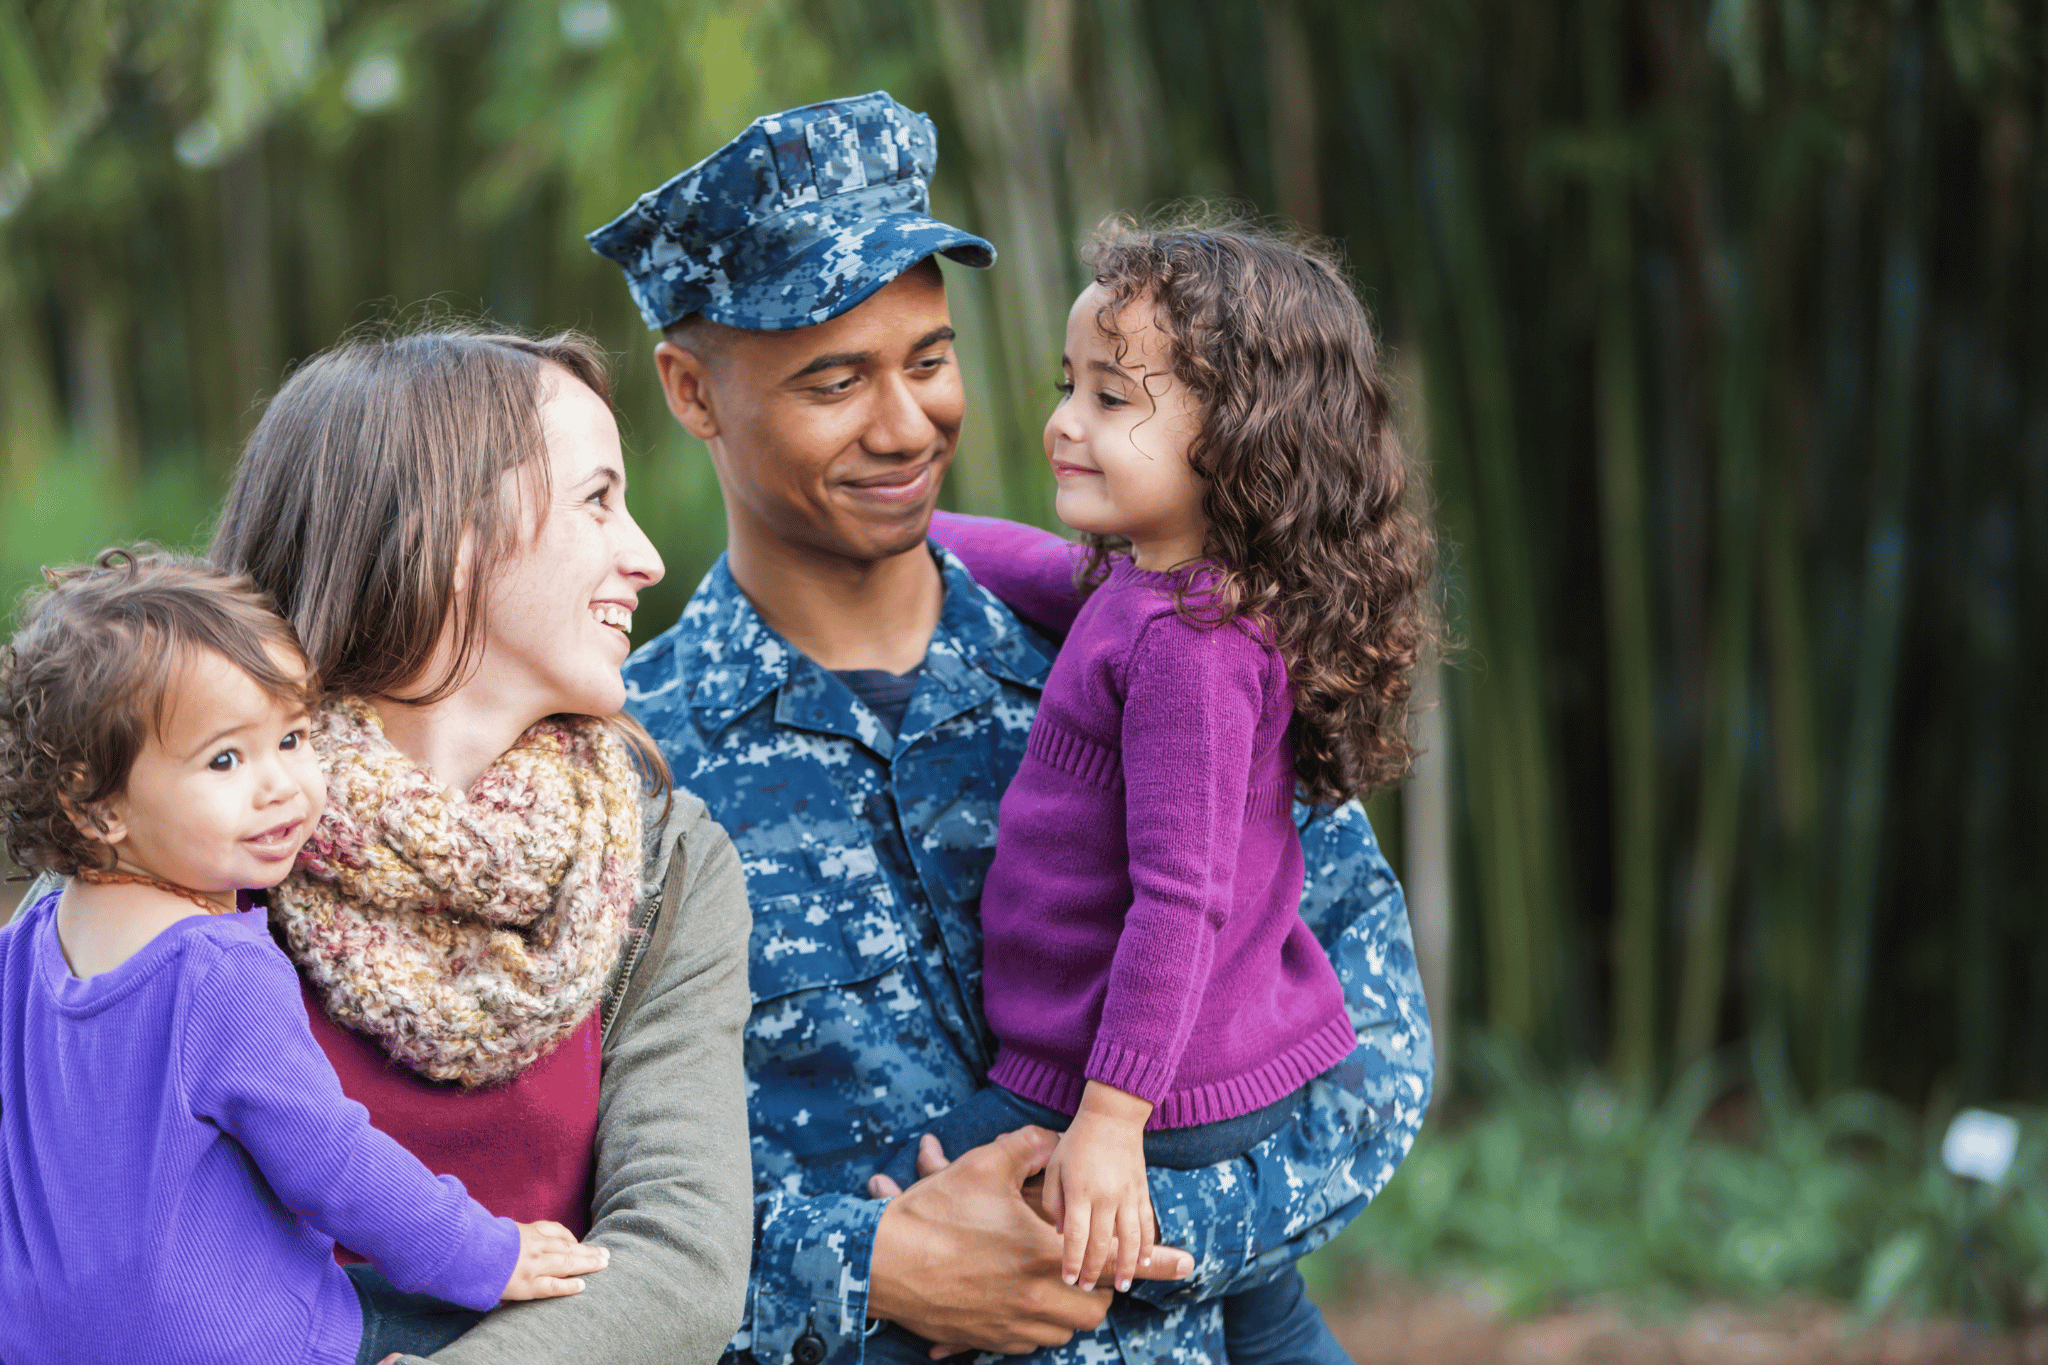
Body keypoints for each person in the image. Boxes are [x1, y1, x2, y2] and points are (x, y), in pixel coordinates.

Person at [593, 92, 1432, 1363]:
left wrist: (1124, 1232)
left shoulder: (1161, 636)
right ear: (691, 392)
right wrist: (871, 1268)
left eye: (928, 361)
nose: (904, 424)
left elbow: (1368, 1033)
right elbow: (555, 1214)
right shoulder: (624, 767)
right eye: (835, 380)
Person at [863, 217, 1433, 1363]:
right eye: (1066, 385)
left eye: (1112, 399)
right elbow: (1040, 568)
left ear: (1239, 439)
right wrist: (910, 529)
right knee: (1269, 1310)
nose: (1063, 422)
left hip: (1127, 1090)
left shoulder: (1188, 652)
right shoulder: (1165, 589)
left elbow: (1181, 897)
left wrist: (1108, 1123)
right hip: (1228, 1058)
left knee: (910, 1236)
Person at [0, 552, 607, 1364]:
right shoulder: (216, 968)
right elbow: (334, 1164)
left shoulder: (24, 952)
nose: (281, 783)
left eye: (291, 737)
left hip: (44, 1342)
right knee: (537, 1324)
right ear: (95, 803)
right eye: (225, 759)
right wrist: (486, 1255)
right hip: (243, 1344)